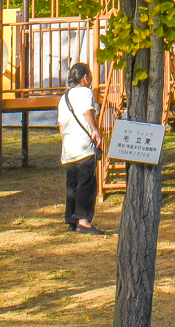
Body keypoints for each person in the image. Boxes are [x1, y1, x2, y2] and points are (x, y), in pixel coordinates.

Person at [57, 62, 107, 232]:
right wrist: (95, 131)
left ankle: (71, 219)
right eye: (90, 75)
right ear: (85, 78)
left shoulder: (64, 98)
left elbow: (61, 125)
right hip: (83, 146)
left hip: (68, 148)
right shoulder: (86, 92)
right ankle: (84, 220)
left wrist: (65, 141)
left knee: (72, 184)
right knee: (86, 184)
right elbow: (87, 111)